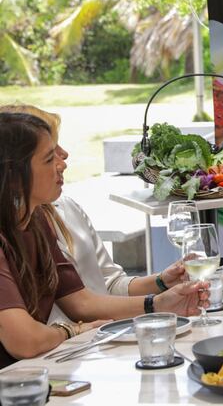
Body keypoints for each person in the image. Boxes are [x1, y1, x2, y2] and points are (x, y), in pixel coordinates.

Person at [0, 112, 208, 368]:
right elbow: (25, 340)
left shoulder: (36, 220)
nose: (62, 162)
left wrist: (160, 302)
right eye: (48, 158)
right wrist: (72, 331)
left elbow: (81, 302)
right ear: (13, 175)